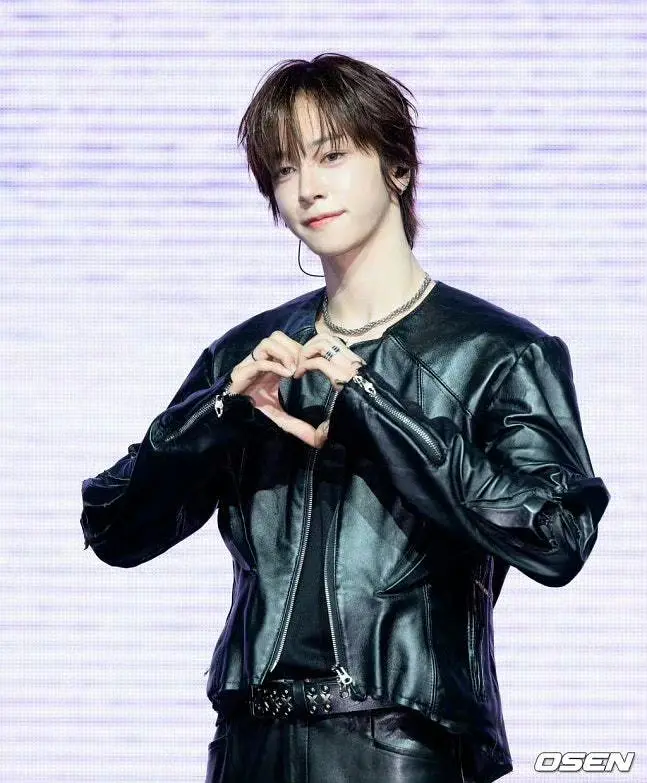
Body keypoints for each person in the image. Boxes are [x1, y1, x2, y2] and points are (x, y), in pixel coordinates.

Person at [80, 53, 610, 783]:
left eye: (331, 156)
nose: (307, 188)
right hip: (249, 744)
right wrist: (221, 412)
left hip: (402, 741)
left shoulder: (499, 352)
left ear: (398, 167)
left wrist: (370, 402)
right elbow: (114, 529)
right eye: (284, 168)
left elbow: (555, 538)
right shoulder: (248, 356)